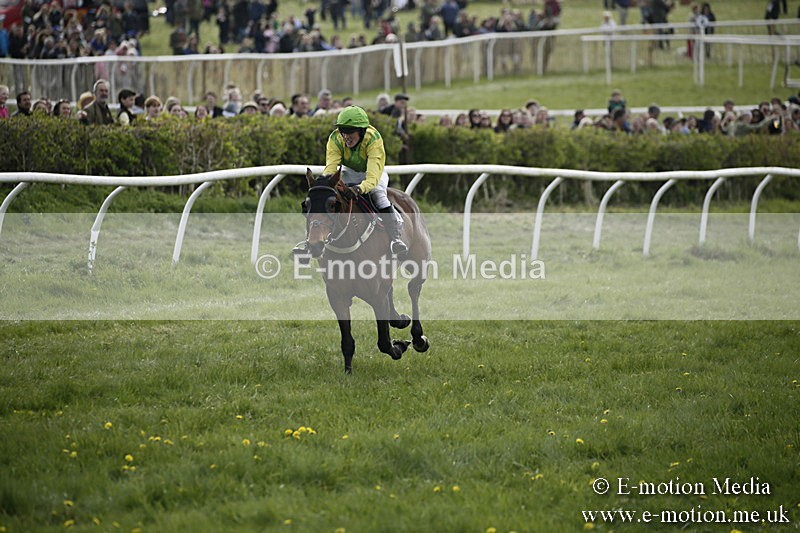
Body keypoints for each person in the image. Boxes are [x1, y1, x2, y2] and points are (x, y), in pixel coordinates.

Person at [293, 106, 408, 257]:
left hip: (372, 173)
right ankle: (310, 241)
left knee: (379, 195)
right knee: (324, 198)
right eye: (343, 131)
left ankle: (395, 239)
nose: (346, 136)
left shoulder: (373, 140)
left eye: (350, 131)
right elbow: (331, 167)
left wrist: (359, 189)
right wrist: (324, 184)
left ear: (361, 131)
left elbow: (372, 178)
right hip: (348, 172)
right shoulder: (335, 138)